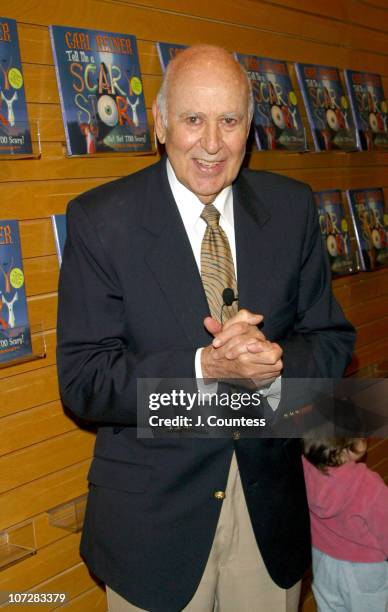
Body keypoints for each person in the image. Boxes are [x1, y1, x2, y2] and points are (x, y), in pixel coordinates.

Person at [56, 45, 355, 612]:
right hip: (153, 526)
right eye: (193, 119)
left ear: (251, 127)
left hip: (269, 515)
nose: (213, 143)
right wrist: (205, 367)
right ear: (160, 123)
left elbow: (334, 341)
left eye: (229, 120)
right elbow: (85, 380)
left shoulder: (292, 210)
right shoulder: (100, 221)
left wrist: (272, 369)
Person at [302, 437, 388, 612]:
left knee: (328, 606)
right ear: (356, 444)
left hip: (322, 561)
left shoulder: (304, 467)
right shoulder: (369, 485)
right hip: (365, 569)